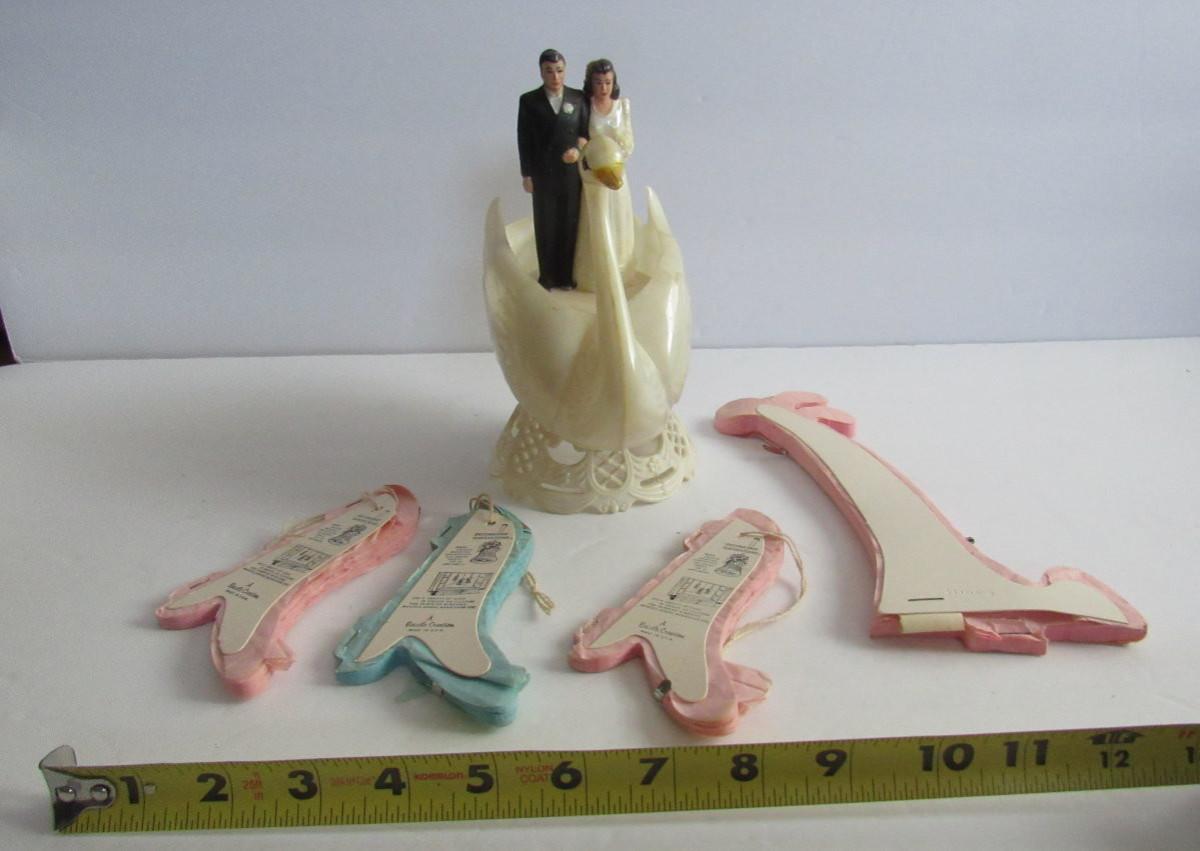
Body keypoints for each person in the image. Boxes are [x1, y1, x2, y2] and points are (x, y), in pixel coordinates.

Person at [517, 49, 590, 290]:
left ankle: (566, 276)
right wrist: (527, 174)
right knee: (546, 223)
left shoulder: (578, 98)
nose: (555, 77)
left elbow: (585, 133)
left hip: (570, 173)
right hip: (543, 172)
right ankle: (547, 275)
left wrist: (578, 151)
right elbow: (524, 139)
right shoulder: (529, 101)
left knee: (569, 223)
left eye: (559, 71)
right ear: (541, 72)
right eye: (549, 71)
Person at [574, 58, 635, 292]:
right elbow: (581, 136)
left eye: (608, 82)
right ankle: (593, 272)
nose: (603, 88)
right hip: (594, 176)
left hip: (615, 172)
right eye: (599, 82)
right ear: (591, 83)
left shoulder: (623, 106)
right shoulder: (585, 106)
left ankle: (621, 270)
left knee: (618, 219)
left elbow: (628, 140)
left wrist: (614, 154)